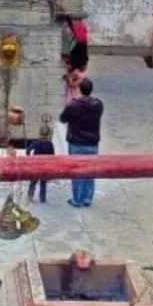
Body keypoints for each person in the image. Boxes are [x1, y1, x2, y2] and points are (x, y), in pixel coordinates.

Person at [61, 78, 103, 208]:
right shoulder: (98, 104)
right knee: (90, 172)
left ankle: (77, 199)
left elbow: (63, 118)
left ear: (79, 89)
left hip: (76, 142)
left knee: (77, 171)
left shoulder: (73, 105)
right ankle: (87, 198)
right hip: (92, 143)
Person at [26, 122, 56, 203]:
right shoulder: (50, 144)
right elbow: (52, 157)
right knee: (43, 183)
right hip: (45, 167)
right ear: (49, 134)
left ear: (39, 133)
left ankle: (30, 195)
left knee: (33, 182)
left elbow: (28, 150)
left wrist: (29, 157)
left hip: (35, 166)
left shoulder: (36, 142)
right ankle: (42, 198)